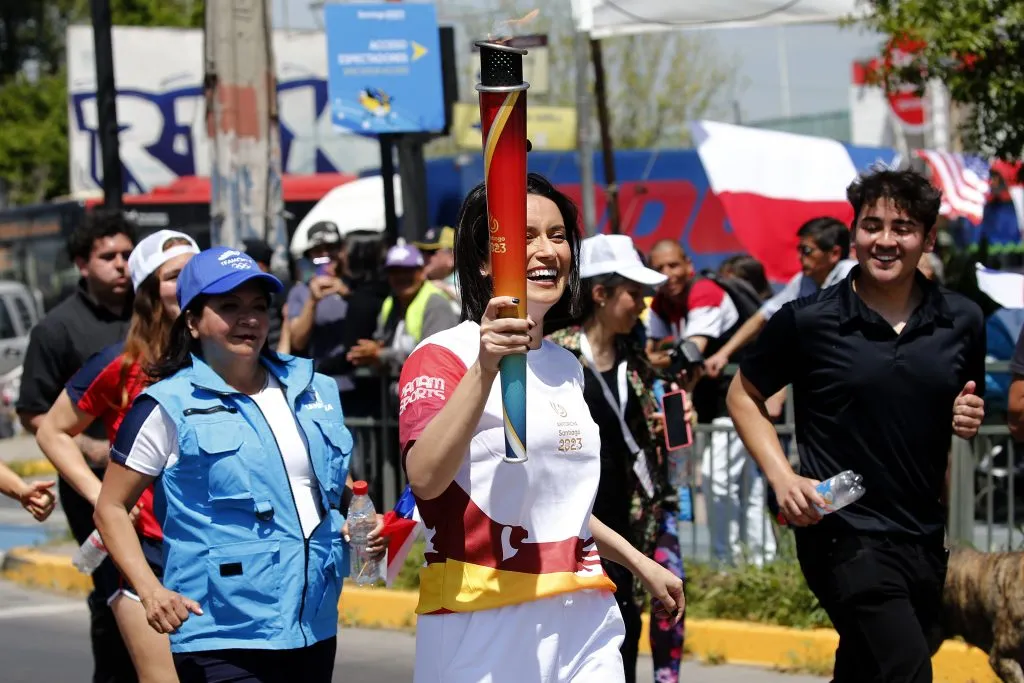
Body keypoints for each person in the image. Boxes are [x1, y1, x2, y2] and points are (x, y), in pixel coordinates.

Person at [398, 173, 684, 683]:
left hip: (582, 612)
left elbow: (560, 503)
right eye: (527, 236)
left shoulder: (565, 365)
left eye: (557, 236)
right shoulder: (441, 356)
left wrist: (641, 562)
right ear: (486, 261)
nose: (548, 250)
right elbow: (425, 478)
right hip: (485, 614)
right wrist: (486, 367)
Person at [727, 168, 987, 683]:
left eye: (903, 228)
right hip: (841, 533)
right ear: (854, 234)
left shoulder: (963, 320)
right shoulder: (808, 320)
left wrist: (967, 416)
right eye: (873, 225)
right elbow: (744, 396)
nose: (885, 241)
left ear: (928, 238)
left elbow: (963, 404)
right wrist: (783, 478)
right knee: (906, 671)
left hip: (920, 533)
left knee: (866, 668)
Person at [92, 247, 386, 683]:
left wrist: (360, 519)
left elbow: (326, 484)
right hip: (221, 632)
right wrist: (151, 591)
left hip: (312, 622)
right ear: (192, 321)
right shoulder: (166, 405)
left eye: (258, 307)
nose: (248, 319)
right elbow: (110, 508)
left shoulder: (312, 388)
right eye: (229, 306)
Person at [36, 229, 200, 683]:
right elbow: (51, 431)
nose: (187, 282)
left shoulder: (231, 363)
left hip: (223, 555)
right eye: (174, 276)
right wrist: (103, 497)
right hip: (149, 559)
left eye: (195, 271)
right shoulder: (124, 364)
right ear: (149, 292)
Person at [548, 233, 690, 683]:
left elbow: (659, 440)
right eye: (635, 293)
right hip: (575, 528)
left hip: (633, 524)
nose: (643, 304)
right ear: (601, 294)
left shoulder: (640, 363)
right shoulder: (554, 357)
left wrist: (680, 418)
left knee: (625, 634)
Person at [16, 208, 137, 683]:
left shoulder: (151, 318)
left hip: (159, 485)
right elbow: (33, 412)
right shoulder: (57, 328)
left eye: (127, 254)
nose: (121, 264)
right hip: (93, 486)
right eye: (108, 256)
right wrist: (88, 448)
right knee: (114, 592)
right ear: (82, 264)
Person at [705, 217, 856, 378]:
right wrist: (723, 354)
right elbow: (762, 317)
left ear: (834, 253)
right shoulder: (803, 281)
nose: (799, 257)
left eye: (806, 250)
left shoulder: (851, 273)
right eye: (798, 250)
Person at [346, 243, 460, 379]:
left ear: (422, 272)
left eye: (408, 270)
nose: (401, 276)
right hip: (396, 393)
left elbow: (434, 356)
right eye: (395, 271)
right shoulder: (390, 303)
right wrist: (368, 351)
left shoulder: (435, 303)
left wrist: (379, 354)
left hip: (428, 391)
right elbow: (382, 342)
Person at [286, 220, 353, 391]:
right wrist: (312, 301)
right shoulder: (300, 291)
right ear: (310, 256)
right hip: (321, 385)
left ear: (341, 250)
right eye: (318, 251)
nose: (326, 255)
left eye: (331, 248)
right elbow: (298, 341)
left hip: (361, 382)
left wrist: (348, 293)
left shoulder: (357, 285)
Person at [242, 237, 288, 353]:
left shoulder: (277, 288)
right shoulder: (240, 287)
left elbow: (287, 319)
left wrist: (281, 353)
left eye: (260, 307)